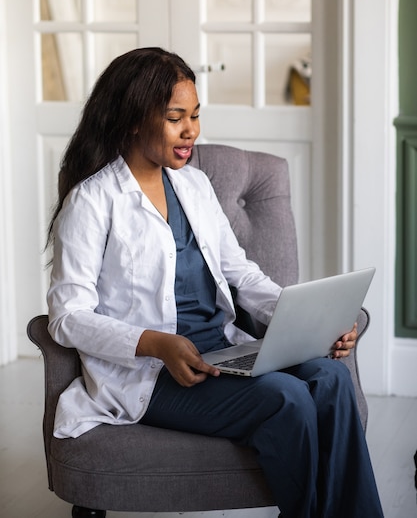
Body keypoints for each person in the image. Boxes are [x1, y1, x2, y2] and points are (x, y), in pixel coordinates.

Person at [47, 47, 383, 518]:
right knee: (286, 400)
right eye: (175, 118)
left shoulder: (195, 186)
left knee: (330, 376)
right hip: (155, 374)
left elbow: (240, 273)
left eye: (196, 115)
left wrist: (310, 317)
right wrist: (156, 343)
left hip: (223, 351)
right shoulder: (92, 201)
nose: (191, 131)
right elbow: (67, 318)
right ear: (133, 120)